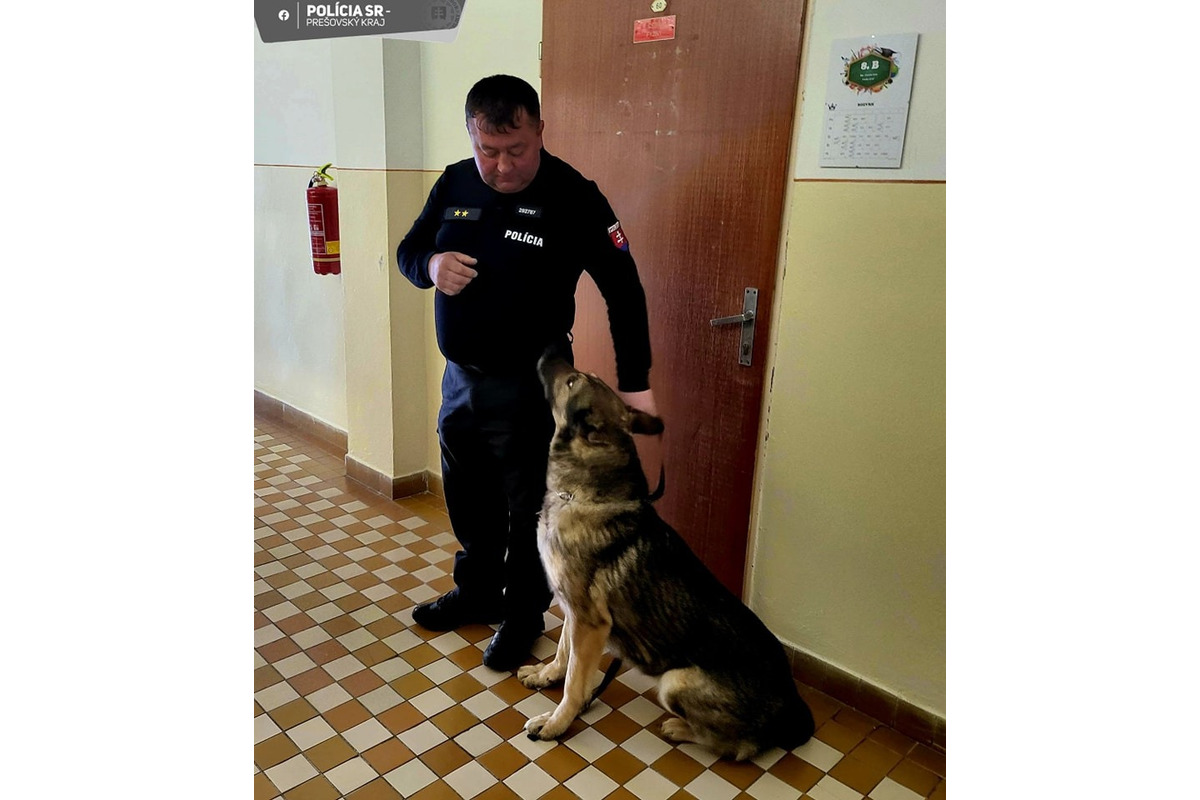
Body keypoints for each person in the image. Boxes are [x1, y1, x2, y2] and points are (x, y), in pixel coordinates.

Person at [396, 74, 658, 671]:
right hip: (460, 378)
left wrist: (634, 379)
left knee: (530, 508)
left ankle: (521, 618)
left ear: (540, 130)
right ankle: (479, 592)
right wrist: (431, 264)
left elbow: (624, 289)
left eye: (516, 150)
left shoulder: (574, 196)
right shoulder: (456, 180)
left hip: (533, 384)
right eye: (488, 150)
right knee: (467, 497)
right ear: (471, 135)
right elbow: (409, 250)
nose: (502, 165)